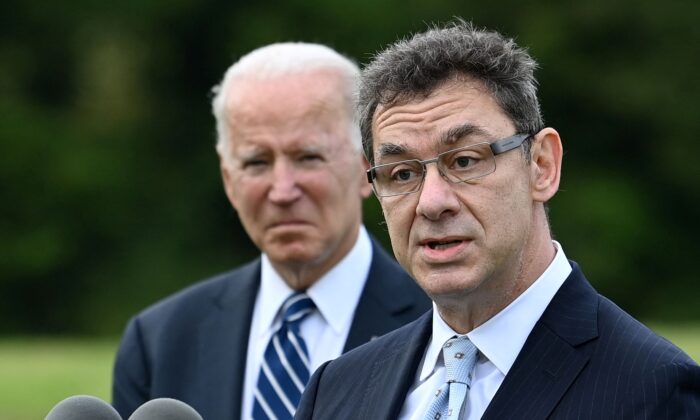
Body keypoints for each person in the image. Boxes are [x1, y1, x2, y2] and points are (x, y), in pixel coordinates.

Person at [295, 20, 700, 419]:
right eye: (402, 173)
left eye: (466, 161)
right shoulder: (334, 390)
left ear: (542, 165)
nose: (432, 202)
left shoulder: (653, 390)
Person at [111, 42, 430, 420]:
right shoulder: (161, 341)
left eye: (308, 157)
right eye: (257, 162)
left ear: (367, 168)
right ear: (228, 179)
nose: (282, 190)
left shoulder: (441, 322)